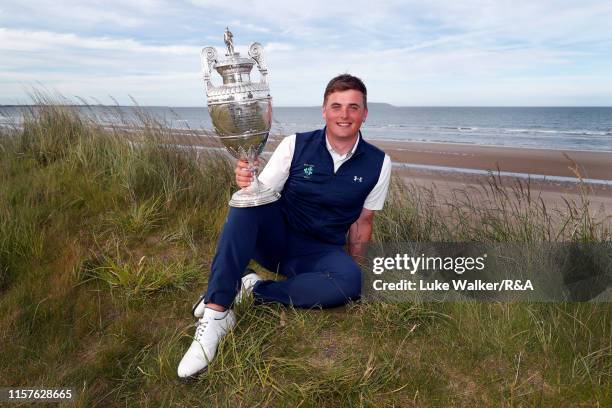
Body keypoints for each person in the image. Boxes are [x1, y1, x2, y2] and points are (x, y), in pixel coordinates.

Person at [177, 74, 392, 379]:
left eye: (353, 107)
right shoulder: (296, 145)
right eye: (336, 106)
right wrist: (247, 181)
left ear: (364, 113)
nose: (344, 115)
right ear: (324, 110)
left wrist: (357, 273)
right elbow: (260, 192)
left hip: (319, 252)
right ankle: (216, 311)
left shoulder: (379, 163)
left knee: (352, 283)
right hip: (276, 242)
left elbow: (362, 223)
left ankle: (254, 290)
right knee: (246, 203)